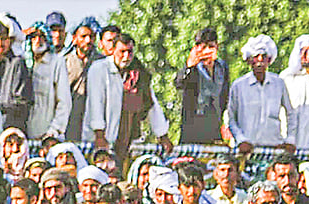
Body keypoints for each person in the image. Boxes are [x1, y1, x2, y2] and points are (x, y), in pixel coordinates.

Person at [84, 32, 172, 174]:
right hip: (100, 140)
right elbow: (96, 104)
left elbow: (151, 104)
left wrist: (162, 135)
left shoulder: (138, 73)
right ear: (113, 50)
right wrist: (99, 135)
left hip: (128, 139)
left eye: (129, 52)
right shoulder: (99, 69)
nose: (126, 56)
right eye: (122, 52)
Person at [227, 35, 296, 153]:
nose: (260, 60)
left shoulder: (278, 83)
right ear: (249, 60)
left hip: (274, 148)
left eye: (264, 57)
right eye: (255, 57)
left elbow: (291, 113)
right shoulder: (239, 85)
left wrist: (289, 140)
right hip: (247, 150)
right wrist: (241, 140)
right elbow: (231, 118)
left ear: (269, 60)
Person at [174, 27, 230, 145]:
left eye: (211, 47)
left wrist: (226, 122)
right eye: (203, 48)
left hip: (214, 126)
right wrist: (189, 67)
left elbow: (225, 97)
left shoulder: (222, 67)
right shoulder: (192, 68)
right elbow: (179, 83)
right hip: (193, 128)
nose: (207, 51)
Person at [25, 22, 71, 141]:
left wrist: (54, 131)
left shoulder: (56, 62)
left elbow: (64, 102)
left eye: (42, 37)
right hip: (24, 136)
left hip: (48, 137)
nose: (38, 40)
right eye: (34, 37)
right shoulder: (23, 63)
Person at [64, 18, 102, 142]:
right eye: (83, 36)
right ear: (75, 38)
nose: (88, 40)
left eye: (91, 37)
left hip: (95, 118)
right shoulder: (65, 61)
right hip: (71, 118)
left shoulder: (101, 62)